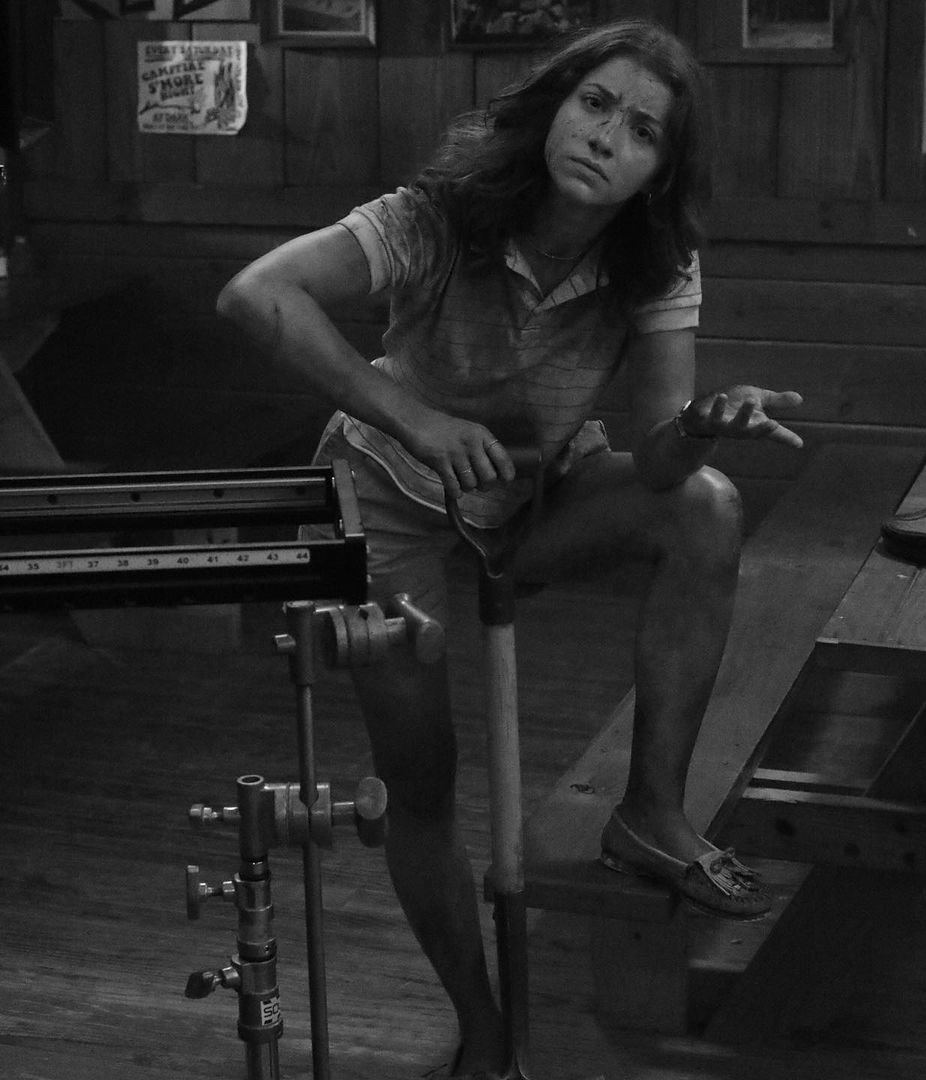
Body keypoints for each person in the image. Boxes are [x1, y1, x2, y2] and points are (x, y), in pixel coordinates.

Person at [217, 18, 803, 1076]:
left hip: (531, 493)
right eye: (595, 104)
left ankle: (652, 812)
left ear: (661, 170)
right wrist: (416, 419)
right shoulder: (436, 216)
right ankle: (481, 1028)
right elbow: (257, 294)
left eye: (642, 131)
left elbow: (658, 463)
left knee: (705, 504)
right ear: (554, 106)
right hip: (382, 493)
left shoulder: (657, 260)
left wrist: (701, 425)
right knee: (423, 777)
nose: (606, 137)